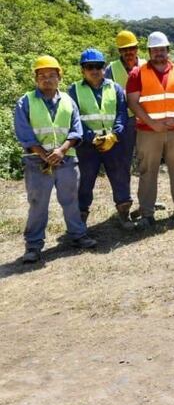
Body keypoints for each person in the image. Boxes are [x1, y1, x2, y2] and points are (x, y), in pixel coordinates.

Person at [14, 55, 96, 263]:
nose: (47, 79)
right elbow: (24, 134)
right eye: (42, 75)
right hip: (36, 162)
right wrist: (45, 155)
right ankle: (33, 246)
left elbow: (76, 131)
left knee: (70, 200)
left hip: (66, 159)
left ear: (59, 77)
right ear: (36, 78)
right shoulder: (25, 102)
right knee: (37, 203)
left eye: (51, 75)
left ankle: (78, 236)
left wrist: (61, 151)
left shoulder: (69, 101)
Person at [127, 31, 174, 225]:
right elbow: (133, 102)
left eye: (162, 49)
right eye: (155, 50)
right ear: (149, 52)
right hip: (148, 131)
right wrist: (151, 123)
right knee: (147, 171)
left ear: (168, 50)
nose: (158, 53)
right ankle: (147, 213)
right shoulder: (137, 73)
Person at [67, 49, 133, 229]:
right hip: (87, 146)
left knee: (121, 177)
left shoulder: (114, 87)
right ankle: (80, 221)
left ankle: (124, 214)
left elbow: (121, 112)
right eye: (89, 67)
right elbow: (74, 118)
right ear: (82, 70)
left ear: (104, 68)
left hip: (114, 143)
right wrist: (92, 137)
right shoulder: (74, 90)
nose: (94, 70)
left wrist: (115, 134)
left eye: (98, 66)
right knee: (85, 182)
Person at [104, 29, 144, 174]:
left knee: (146, 157)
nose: (128, 52)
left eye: (131, 48)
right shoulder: (111, 69)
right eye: (124, 49)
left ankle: (146, 192)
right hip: (124, 120)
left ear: (137, 49)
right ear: (119, 51)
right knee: (123, 159)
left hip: (145, 119)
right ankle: (124, 192)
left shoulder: (146, 66)